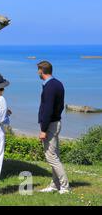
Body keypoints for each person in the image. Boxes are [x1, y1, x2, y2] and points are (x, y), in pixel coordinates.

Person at [36, 61, 70, 194]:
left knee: (51, 157)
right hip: (55, 122)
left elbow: (48, 109)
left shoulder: (50, 87)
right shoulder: (57, 84)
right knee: (55, 155)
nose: (37, 73)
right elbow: (60, 106)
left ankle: (65, 186)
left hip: (50, 125)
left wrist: (43, 130)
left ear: (41, 71)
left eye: (38, 70)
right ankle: (55, 185)